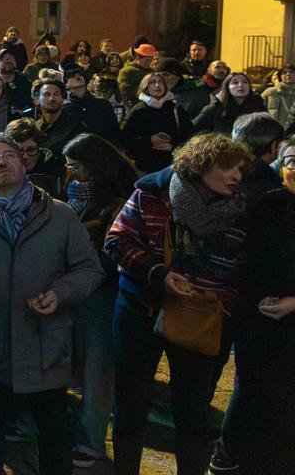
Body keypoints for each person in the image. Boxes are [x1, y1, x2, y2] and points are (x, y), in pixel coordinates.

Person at [0, 132, 103, 475]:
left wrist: (60, 292)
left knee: (53, 428)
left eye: (9, 155)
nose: (1, 161)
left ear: (23, 163)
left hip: (45, 341)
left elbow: (89, 269)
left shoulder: (59, 216)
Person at [104, 132, 250, 475]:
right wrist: (159, 274)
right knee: (130, 403)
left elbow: (244, 267)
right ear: (200, 165)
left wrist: (215, 299)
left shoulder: (241, 207)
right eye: (228, 166)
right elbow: (117, 240)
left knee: (193, 409)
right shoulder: (153, 192)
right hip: (141, 308)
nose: (236, 175)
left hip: (200, 318)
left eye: (240, 168)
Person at [213, 139, 295, 474]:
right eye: (291, 159)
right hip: (259, 317)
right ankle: (232, 450)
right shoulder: (269, 205)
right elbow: (243, 258)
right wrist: (252, 299)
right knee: (252, 385)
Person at [61, 134, 139, 469]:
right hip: (72, 291)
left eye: (75, 166)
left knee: (97, 369)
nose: (69, 173)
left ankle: (92, 441)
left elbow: (111, 253)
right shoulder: (72, 197)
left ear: (93, 166)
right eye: (67, 166)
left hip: (101, 293)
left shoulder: (117, 202)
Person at [122, 71, 194, 174]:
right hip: (145, 167)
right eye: (152, 82)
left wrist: (173, 146)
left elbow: (189, 135)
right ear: (145, 87)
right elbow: (126, 138)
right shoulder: (138, 110)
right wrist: (149, 141)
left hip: (172, 165)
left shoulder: (176, 109)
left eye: (160, 82)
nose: (157, 85)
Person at [193, 71, 265, 135]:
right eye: (235, 82)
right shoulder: (215, 107)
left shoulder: (258, 106)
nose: (240, 85)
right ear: (227, 87)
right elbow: (192, 130)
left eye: (245, 82)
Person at [64, 65, 121, 145]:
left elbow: (115, 133)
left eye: (80, 74)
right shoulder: (65, 109)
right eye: (72, 76)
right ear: (66, 84)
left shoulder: (103, 104)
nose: (77, 76)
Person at [32, 74, 85, 159]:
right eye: (47, 94)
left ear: (63, 99)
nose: (52, 98)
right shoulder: (34, 128)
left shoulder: (76, 129)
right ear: (37, 100)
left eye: (56, 94)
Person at [0, 47, 33, 112]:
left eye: (11, 58)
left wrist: (23, 112)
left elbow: (31, 105)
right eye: (3, 58)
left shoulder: (25, 82)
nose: (8, 60)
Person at [262, 63, 295, 128]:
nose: (288, 74)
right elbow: (259, 110)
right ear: (279, 76)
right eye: (284, 72)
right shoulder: (270, 92)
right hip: (273, 130)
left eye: (291, 72)